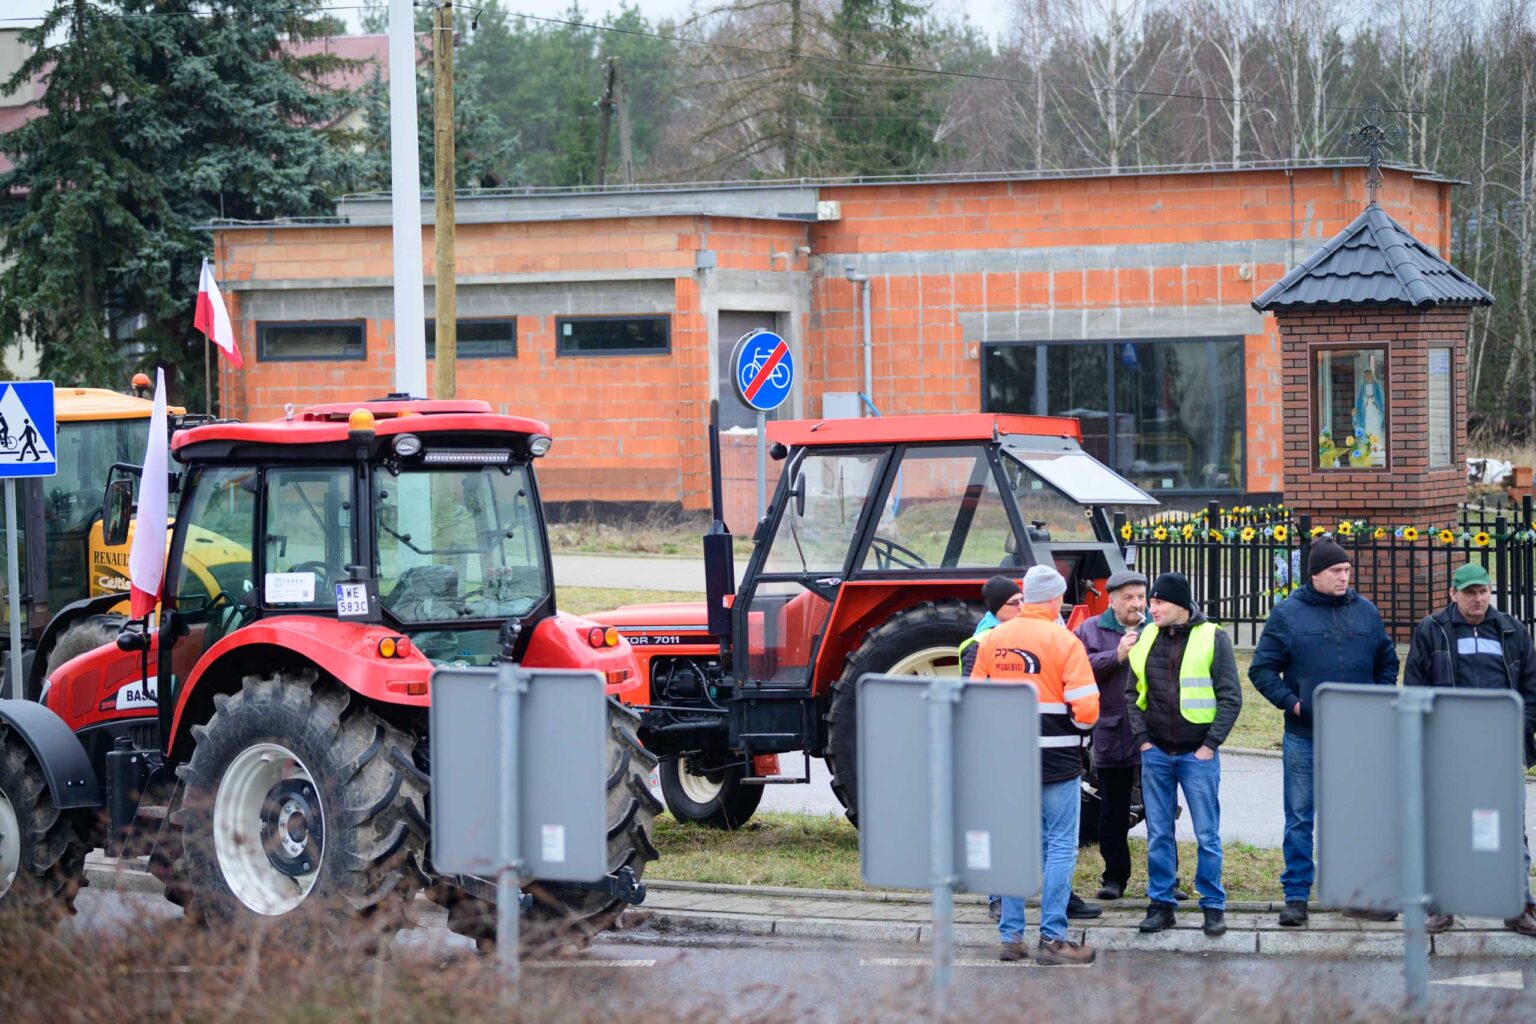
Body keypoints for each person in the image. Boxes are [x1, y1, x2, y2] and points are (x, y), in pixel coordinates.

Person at [1249, 538, 1398, 927]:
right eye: (1336, 571)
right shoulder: (1287, 615)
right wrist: (1294, 703)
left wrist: (1377, 700)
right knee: (1300, 816)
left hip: (1358, 736)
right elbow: (1262, 670)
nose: (1344, 576)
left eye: (1347, 570)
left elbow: (1387, 662)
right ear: (1315, 574)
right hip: (1305, 734)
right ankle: (1296, 896)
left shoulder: (1366, 613)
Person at [974, 565, 1100, 965]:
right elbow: (1086, 709)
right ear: (1053, 597)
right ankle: (1053, 938)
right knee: (1061, 845)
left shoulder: (991, 638)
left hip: (1008, 759)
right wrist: (1077, 726)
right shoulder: (1064, 641)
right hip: (1058, 760)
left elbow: (976, 700)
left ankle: (1011, 938)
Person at [1403, 562, 1536, 937]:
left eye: (1483, 592)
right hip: (1451, 748)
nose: (1478, 599)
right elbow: (1414, 687)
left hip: (1502, 746)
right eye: (1470, 593)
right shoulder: (1433, 630)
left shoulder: (1511, 630)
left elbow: (1531, 688)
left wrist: (1516, 726)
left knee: (1508, 830)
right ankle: (1441, 906)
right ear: (1453, 594)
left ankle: (1517, 906)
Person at [1126, 572, 1242, 938]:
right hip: (1156, 752)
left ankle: (1212, 904)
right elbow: (1132, 694)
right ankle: (1161, 904)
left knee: (1207, 834)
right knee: (1159, 834)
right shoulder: (1146, 638)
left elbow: (1230, 697)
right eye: (1152, 601)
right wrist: (1143, 740)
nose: (1151, 607)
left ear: (1180, 604)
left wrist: (1210, 746)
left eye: (1158, 601)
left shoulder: (1212, 637)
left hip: (1197, 755)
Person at [1073, 569, 1147, 900]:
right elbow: (1078, 670)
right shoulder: (1090, 630)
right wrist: (1115, 656)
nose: (1137, 604)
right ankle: (1114, 877)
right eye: (1129, 597)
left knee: (1161, 811)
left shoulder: (1157, 627)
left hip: (1154, 732)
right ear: (1112, 599)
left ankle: (1166, 881)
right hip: (1112, 731)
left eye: (1141, 596)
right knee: (1112, 811)